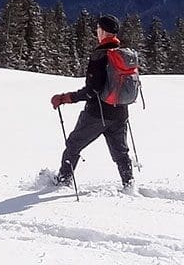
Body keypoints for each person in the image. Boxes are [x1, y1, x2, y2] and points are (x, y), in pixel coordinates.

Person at [48, 16, 135, 189]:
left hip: (97, 114)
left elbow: (92, 91)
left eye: (97, 29)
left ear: (102, 31)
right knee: (121, 152)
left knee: (73, 144)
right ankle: (129, 184)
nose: (96, 32)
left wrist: (66, 98)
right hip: (120, 113)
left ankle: (63, 180)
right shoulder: (124, 55)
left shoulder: (100, 56)